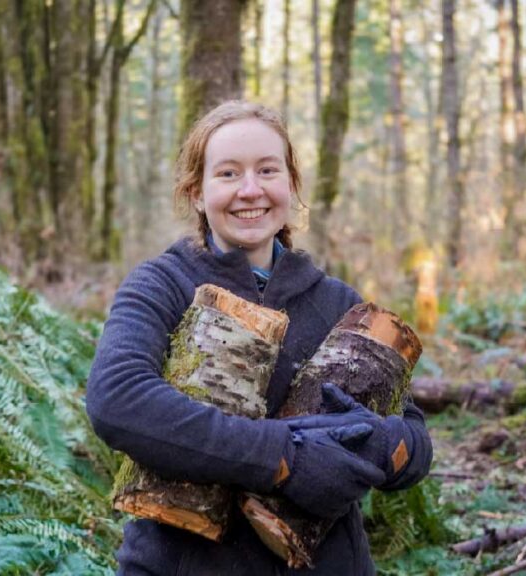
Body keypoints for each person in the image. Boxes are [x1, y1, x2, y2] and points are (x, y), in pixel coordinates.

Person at [86, 100, 432, 575]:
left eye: (267, 170)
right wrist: (284, 457)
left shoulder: (337, 302)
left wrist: (377, 444)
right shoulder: (162, 284)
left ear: (290, 184)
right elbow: (117, 399)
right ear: (196, 192)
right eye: (228, 173)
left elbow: (415, 440)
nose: (250, 190)